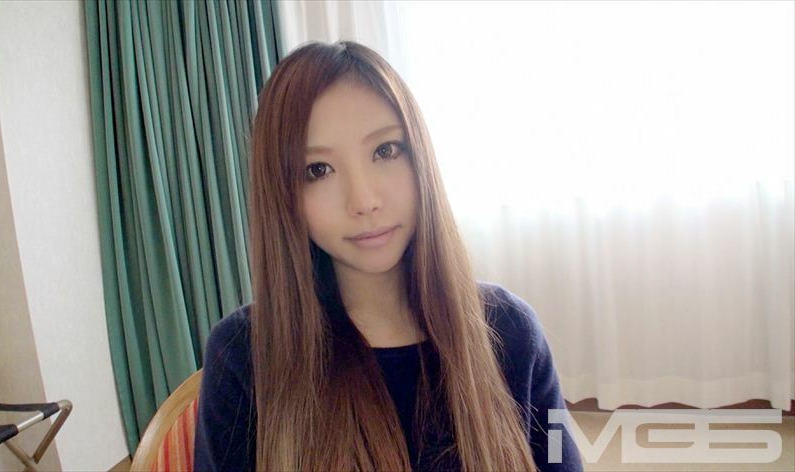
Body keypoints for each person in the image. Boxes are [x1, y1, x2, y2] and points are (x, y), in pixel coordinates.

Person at [194, 40, 583, 472]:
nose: (364, 200)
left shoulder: (511, 332)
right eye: (317, 170)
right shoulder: (243, 356)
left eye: (385, 151)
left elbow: (558, 459)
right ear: (282, 195)